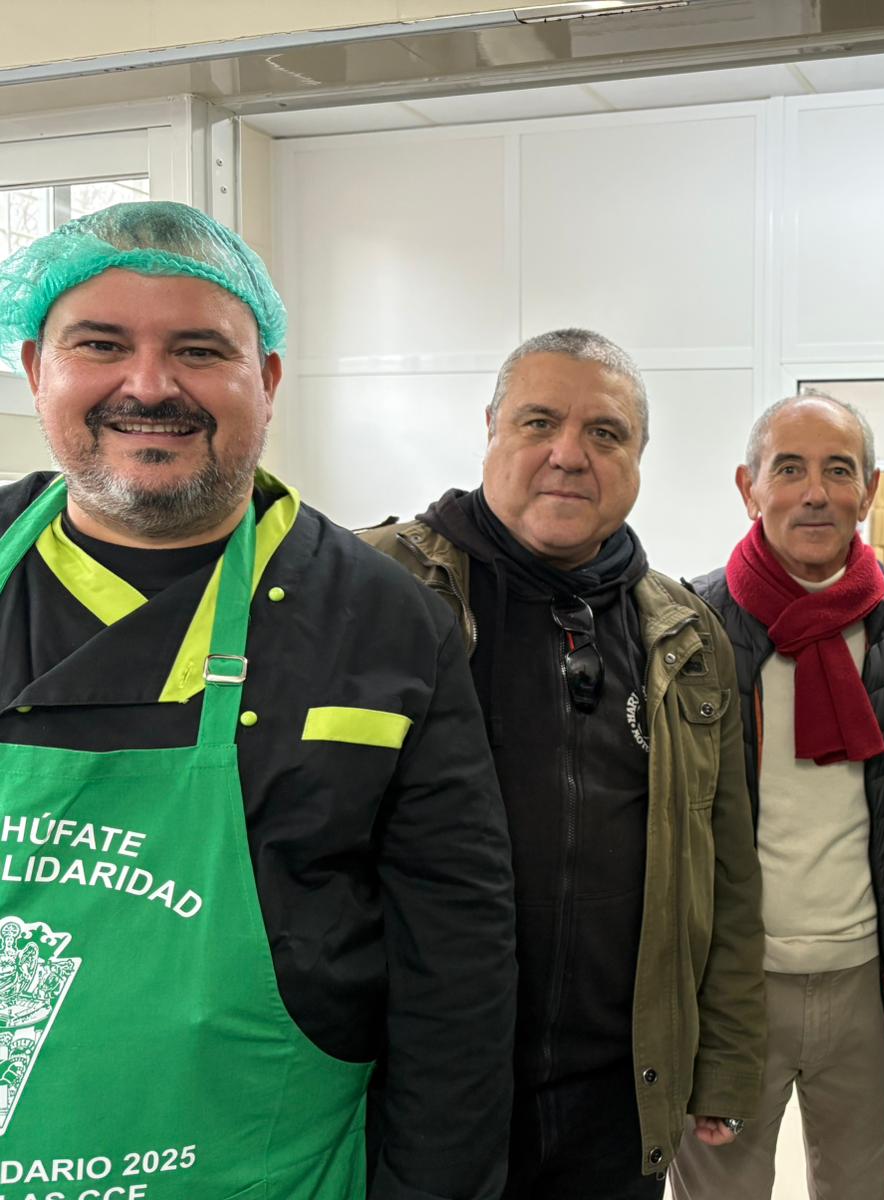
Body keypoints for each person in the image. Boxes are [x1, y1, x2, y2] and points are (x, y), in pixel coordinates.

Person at [0, 201, 517, 1197]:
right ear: (36, 370)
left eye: (198, 350)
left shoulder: (385, 623)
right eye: (100, 344)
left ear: (267, 380)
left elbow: (455, 970)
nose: (148, 386)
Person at [360, 328, 764, 1198]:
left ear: (640, 458)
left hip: (617, 1096)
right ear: (492, 430)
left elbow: (725, 870)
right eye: (539, 422)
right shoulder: (378, 590)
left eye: (606, 434)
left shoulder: (687, 634)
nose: (569, 456)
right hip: (421, 1090)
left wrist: (724, 1060)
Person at [675, 394, 884, 1200]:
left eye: (838, 470)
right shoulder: (689, 626)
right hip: (733, 988)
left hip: (870, 985)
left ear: (868, 491)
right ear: (748, 487)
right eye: (788, 469)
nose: (814, 492)